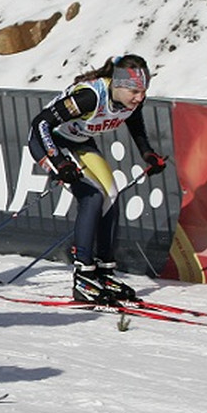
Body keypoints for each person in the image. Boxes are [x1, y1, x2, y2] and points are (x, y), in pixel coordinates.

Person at [28, 54, 167, 304]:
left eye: (144, 91)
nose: (140, 97)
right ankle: (83, 274)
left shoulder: (131, 101)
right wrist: (58, 162)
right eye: (135, 91)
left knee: (111, 194)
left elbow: (135, 126)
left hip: (78, 142)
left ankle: (104, 271)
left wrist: (148, 154)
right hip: (49, 142)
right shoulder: (89, 97)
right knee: (91, 196)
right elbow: (41, 123)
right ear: (118, 84)